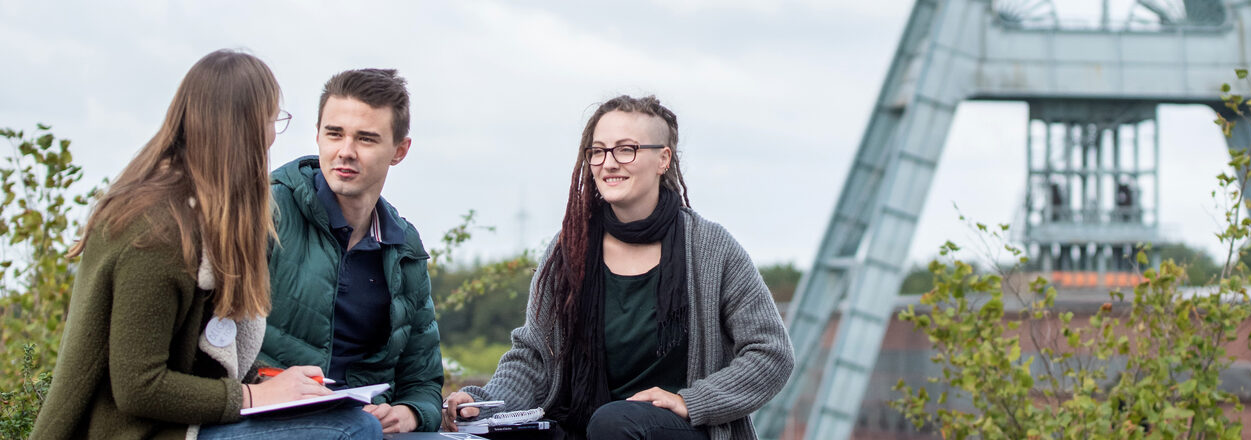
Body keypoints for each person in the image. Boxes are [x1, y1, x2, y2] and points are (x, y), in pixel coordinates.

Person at [31, 49, 381, 439]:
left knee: (353, 422)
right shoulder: (155, 232)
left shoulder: (216, 217)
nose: (271, 136)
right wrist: (253, 396)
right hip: (141, 431)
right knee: (351, 432)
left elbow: (206, 356)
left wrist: (282, 388)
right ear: (244, 128)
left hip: (192, 423)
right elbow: (138, 387)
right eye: (271, 120)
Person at [442, 95, 794, 439]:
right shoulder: (570, 247)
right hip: (583, 422)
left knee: (613, 422)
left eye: (626, 149)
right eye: (598, 151)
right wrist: (484, 402)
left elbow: (771, 353)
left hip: (679, 428)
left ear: (663, 159)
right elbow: (535, 356)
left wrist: (692, 401)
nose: (609, 163)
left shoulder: (711, 249)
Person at [260, 68, 442, 433]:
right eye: (334, 134)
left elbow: (423, 382)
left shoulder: (404, 247)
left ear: (399, 151)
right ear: (317, 136)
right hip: (269, 418)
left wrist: (408, 413)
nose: (345, 151)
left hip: (363, 426)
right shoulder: (266, 213)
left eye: (366, 139)